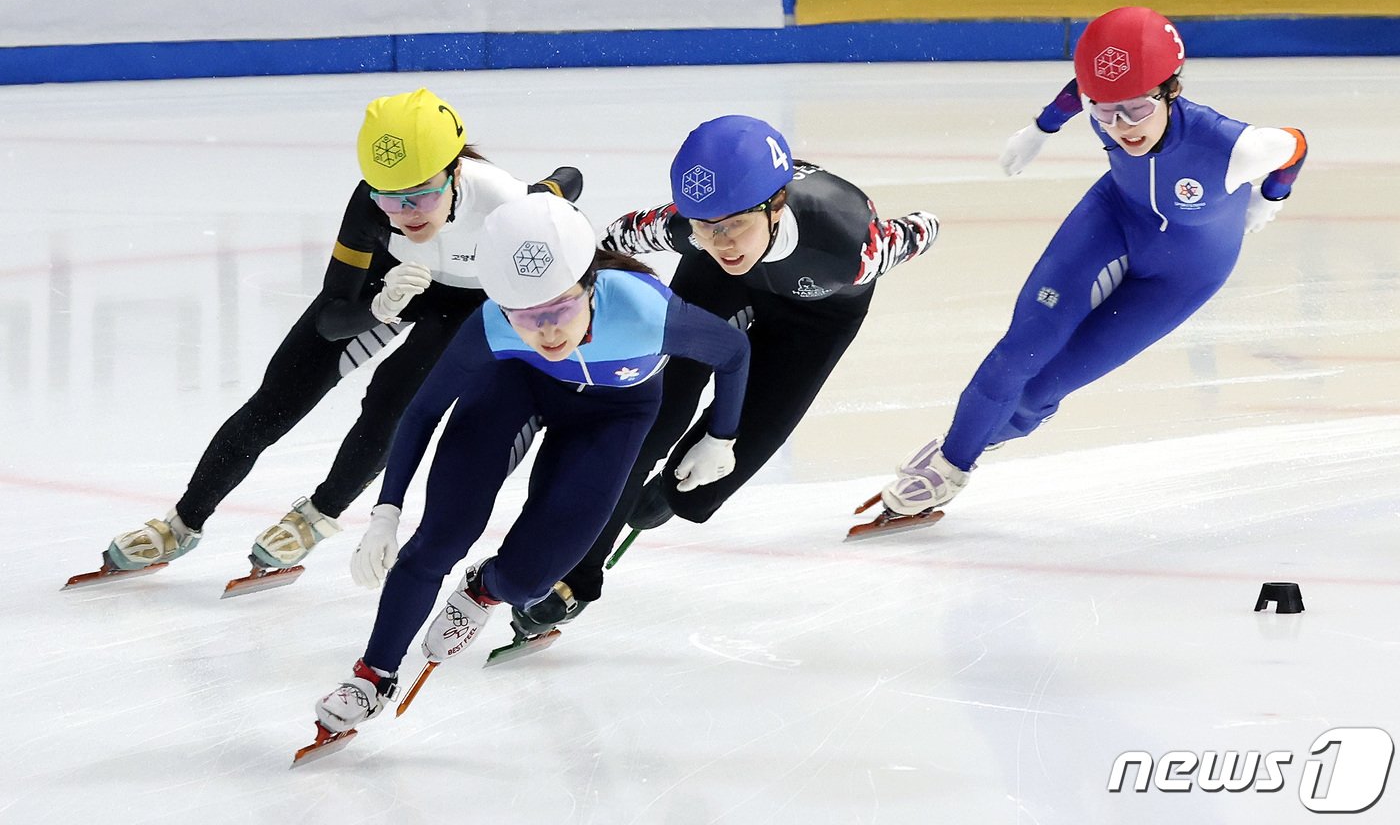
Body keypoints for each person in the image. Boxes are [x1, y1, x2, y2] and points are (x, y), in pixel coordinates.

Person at [306, 193, 750, 746]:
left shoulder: (645, 312)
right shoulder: (492, 324)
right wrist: (386, 511)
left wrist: (721, 437)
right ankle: (372, 677)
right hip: (517, 389)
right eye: (525, 317)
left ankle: (485, 590)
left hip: (614, 414)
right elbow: (421, 410)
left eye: (560, 310)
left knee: (528, 580)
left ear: (589, 284)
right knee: (439, 537)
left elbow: (733, 352)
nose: (547, 332)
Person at [88, 88, 582, 583]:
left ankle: (317, 516)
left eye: (424, 194)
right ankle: (182, 523)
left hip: (466, 305)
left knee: (393, 401)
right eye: (391, 198)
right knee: (277, 400)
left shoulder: (507, 205)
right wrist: (378, 307)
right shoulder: (369, 207)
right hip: (391, 283)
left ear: (455, 171)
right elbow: (331, 317)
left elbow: (566, 189)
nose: (408, 212)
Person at [507, 114, 940, 636]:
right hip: (717, 286)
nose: (722, 240)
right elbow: (619, 235)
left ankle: (667, 494)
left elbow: (916, 232)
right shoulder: (700, 234)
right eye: (705, 227)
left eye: (734, 225)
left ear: (776, 206)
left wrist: (926, 224)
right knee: (651, 419)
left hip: (816, 319)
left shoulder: (848, 243)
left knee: (699, 487)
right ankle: (578, 575)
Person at [872, 6, 1308, 522]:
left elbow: (1296, 145)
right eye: (1104, 113)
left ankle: (983, 436)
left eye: (1137, 110)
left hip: (1183, 273)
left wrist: (1272, 199)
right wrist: (1041, 129)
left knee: (1040, 390)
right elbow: (1079, 90)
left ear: (1171, 89)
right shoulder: (1103, 99)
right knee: (1020, 350)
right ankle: (950, 463)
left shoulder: (1235, 146)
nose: (1122, 127)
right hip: (1113, 218)